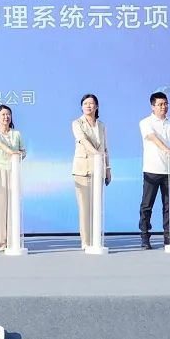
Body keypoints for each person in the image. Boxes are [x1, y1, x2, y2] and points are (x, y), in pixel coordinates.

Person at [139, 91, 170, 250]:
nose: (164, 107)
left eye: (166, 104)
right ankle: (145, 236)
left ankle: (169, 237)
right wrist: (167, 150)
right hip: (152, 169)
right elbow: (153, 138)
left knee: (169, 206)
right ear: (153, 106)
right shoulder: (146, 122)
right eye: (160, 104)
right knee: (147, 205)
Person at [71, 93, 110, 250]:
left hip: (98, 170)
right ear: (82, 107)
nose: (88, 106)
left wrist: (107, 168)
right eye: (85, 103)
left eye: (91, 103)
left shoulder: (101, 125)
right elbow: (83, 141)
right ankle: (86, 241)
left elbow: (105, 148)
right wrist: (96, 154)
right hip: (83, 170)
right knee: (85, 208)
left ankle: (96, 239)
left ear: (97, 106)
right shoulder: (77, 123)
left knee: (96, 207)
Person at [0, 104, 26, 251]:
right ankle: (0, 241)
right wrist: (13, 153)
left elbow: (23, 150)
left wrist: (20, 155)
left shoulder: (17, 134)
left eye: (8, 114)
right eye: (3, 114)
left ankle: (12, 239)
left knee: (13, 204)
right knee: (0, 206)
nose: (6, 117)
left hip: (14, 171)